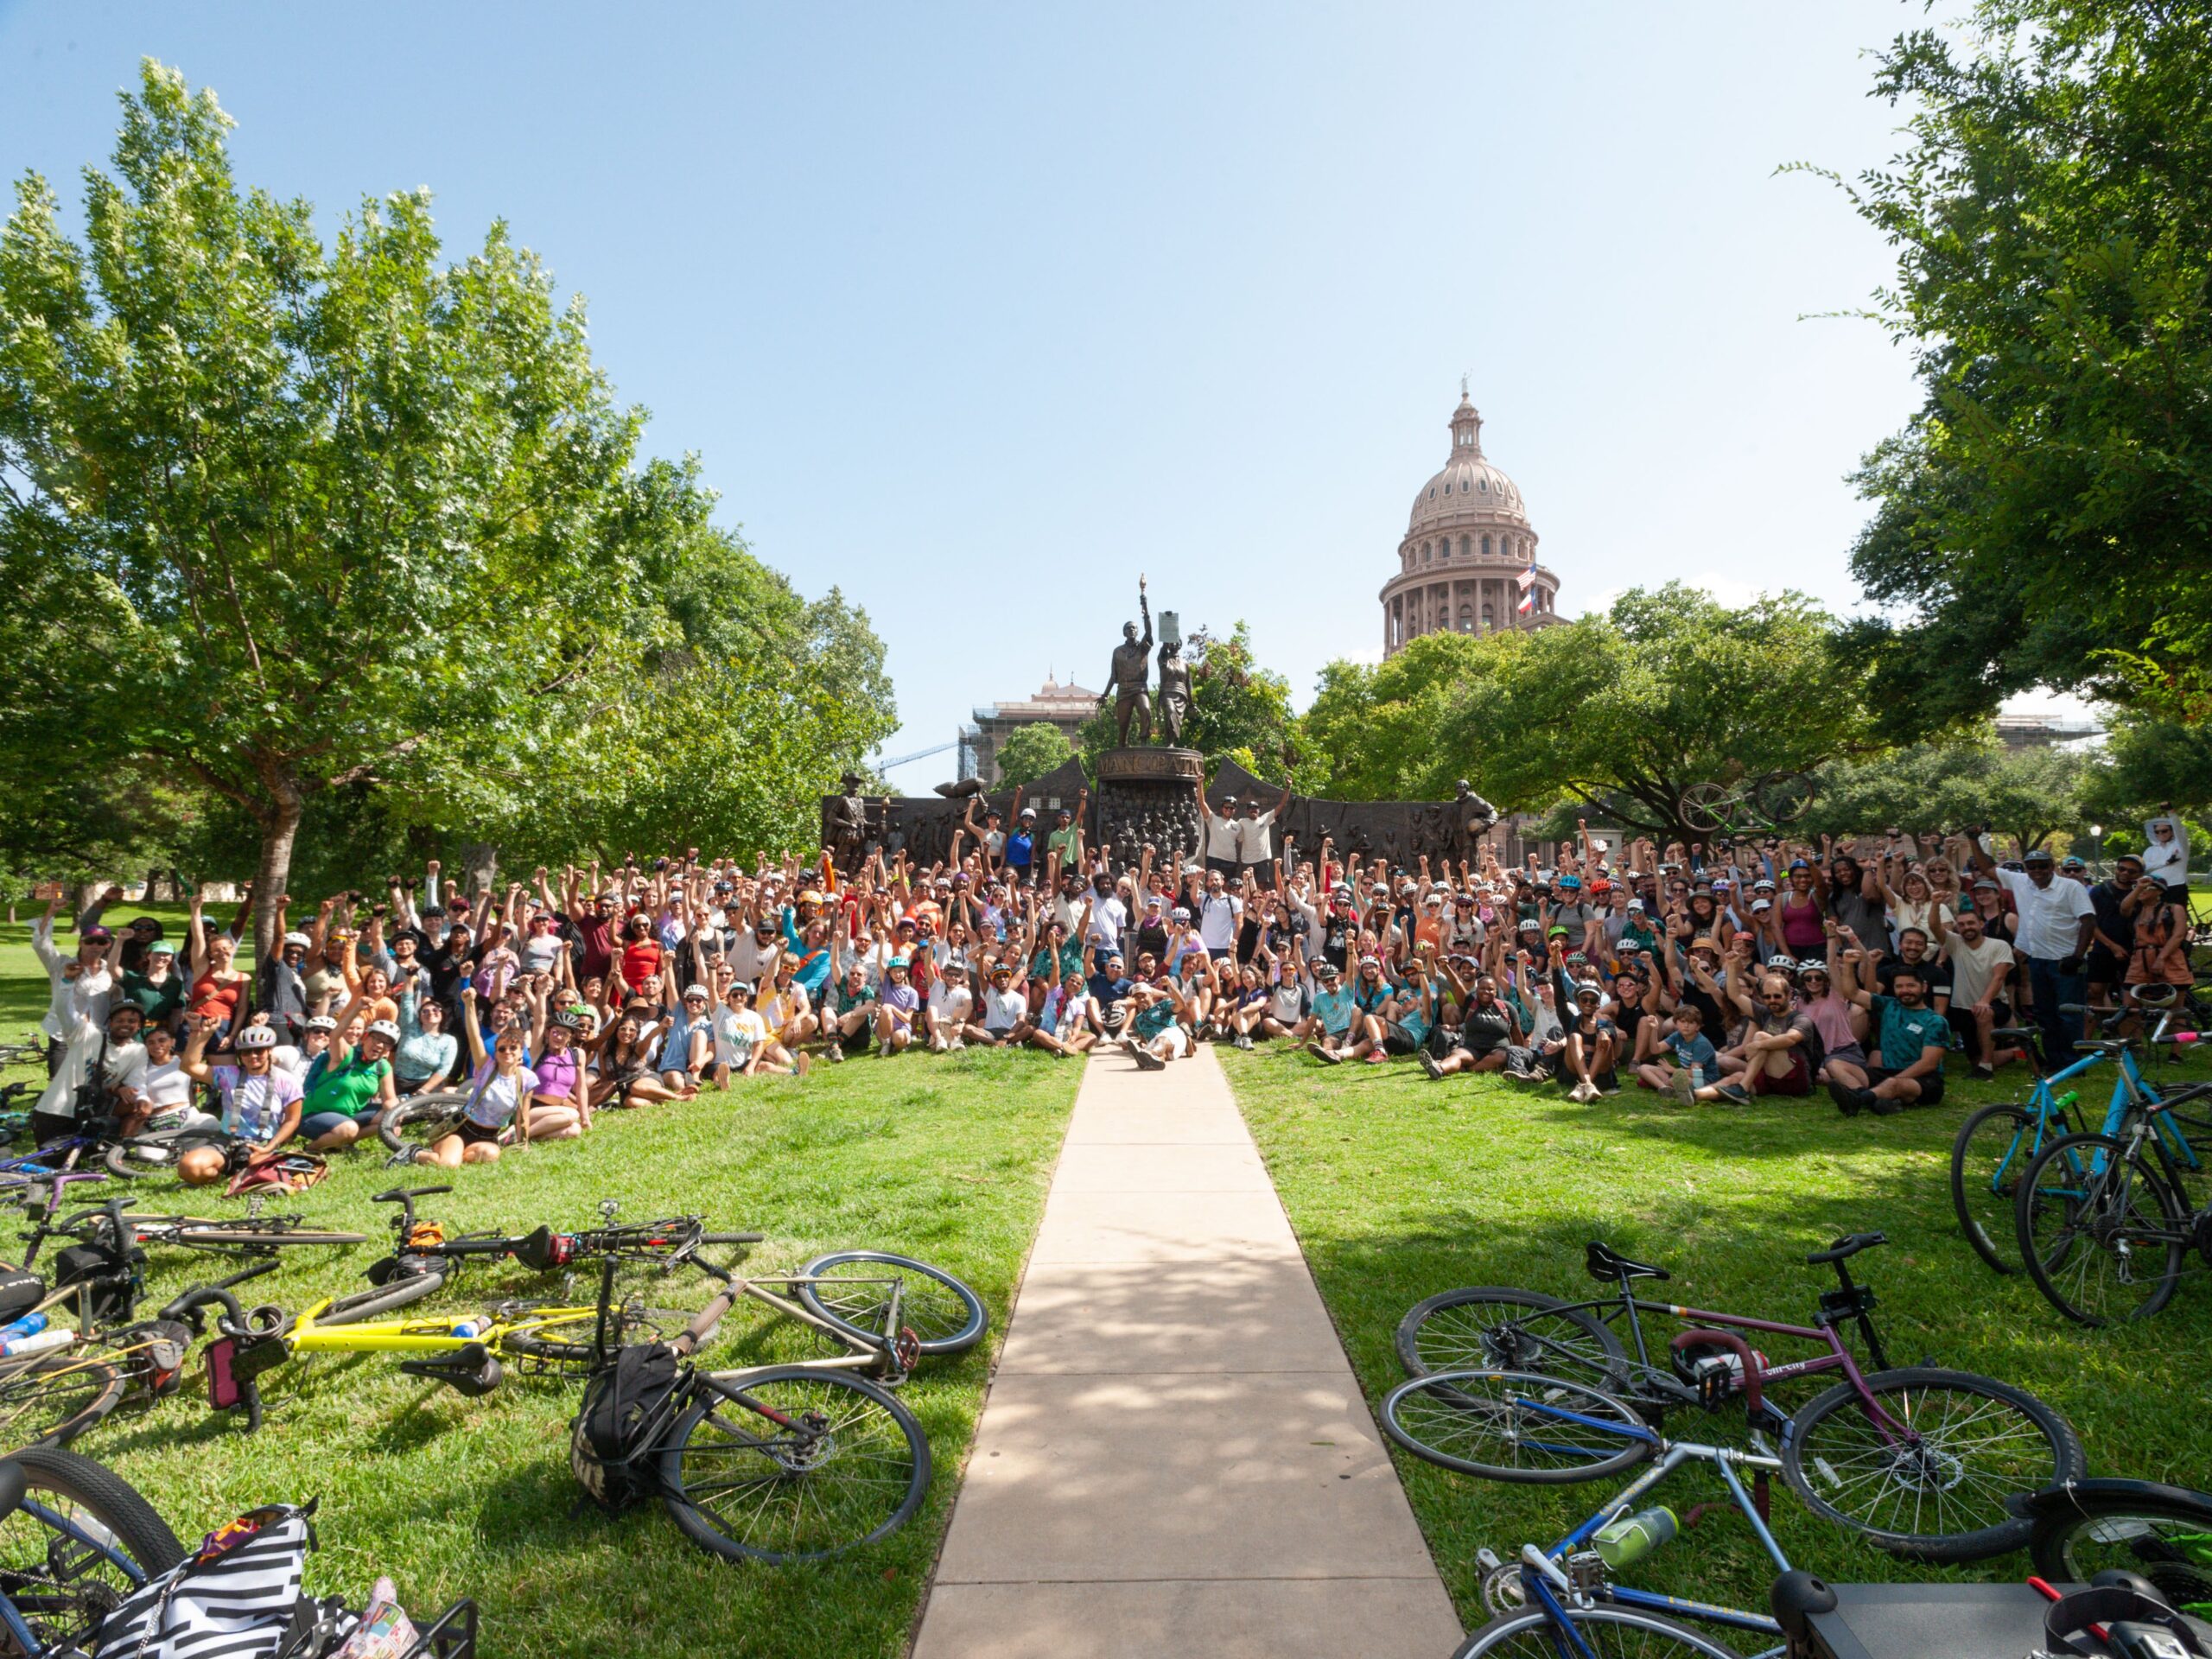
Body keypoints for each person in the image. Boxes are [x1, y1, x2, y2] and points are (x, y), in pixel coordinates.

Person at [1970, 841, 2093, 1069]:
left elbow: (2088, 920)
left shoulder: (2070, 887)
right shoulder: (2021, 882)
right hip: (2038, 960)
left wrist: (2077, 956)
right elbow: (1987, 868)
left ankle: (2071, 1063)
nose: (2036, 871)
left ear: (2052, 866)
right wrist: (1973, 840)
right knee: (2045, 1014)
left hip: (2066, 960)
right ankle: (2053, 1060)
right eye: (2031, 866)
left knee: (2068, 1014)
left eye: (2042, 866)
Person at [176, 1020, 302, 1186]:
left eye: (259, 1050)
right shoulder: (228, 1074)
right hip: (228, 1140)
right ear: (240, 1055)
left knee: (260, 1175)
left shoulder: (287, 1081)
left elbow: (292, 1120)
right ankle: (221, 1174)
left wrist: (269, 1147)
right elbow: (188, 1066)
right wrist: (205, 1035)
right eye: (246, 1052)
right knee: (189, 1168)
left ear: (269, 1051)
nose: (252, 1056)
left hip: (264, 1143)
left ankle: (243, 1173)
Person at [1827, 949, 1949, 1116]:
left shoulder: (1935, 1021)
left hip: (1925, 1080)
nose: (1905, 990)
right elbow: (1852, 993)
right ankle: (1876, 1099)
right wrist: (1848, 965)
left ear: (1924, 987)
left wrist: (1897, 1079)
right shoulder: (1888, 1005)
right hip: (1886, 1072)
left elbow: (1929, 1064)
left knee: (1893, 1084)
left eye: (1911, 985)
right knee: (1834, 1064)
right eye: (1899, 986)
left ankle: (1858, 1100)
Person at [426, 992, 537, 1166]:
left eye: (513, 1048)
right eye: (502, 1049)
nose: (507, 1052)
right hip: (463, 1129)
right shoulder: (486, 1067)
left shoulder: (527, 1078)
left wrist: (523, 1143)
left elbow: (522, 1115)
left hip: (488, 1138)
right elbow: (474, 1036)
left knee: (492, 1154)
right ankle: (417, 1154)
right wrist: (469, 1004)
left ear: (520, 1053)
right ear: (496, 1051)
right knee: (448, 1165)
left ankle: (452, 1154)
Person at [2140, 805, 2190, 887]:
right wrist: (2166, 862)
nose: (2161, 834)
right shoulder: (2150, 850)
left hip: (2177, 885)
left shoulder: (2180, 845)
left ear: (2172, 831)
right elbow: (2144, 867)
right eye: (2157, 832)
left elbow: (2179, 830)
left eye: (2164, 831)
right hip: (2154, 887)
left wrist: (2171, 813)